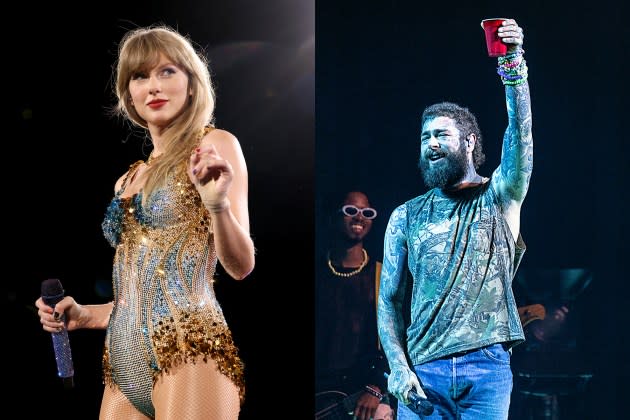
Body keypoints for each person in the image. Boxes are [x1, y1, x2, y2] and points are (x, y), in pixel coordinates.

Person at [35, 25, 255, 420]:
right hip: (123, 363)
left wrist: (217, 206)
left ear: (192, 84)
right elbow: (141, 292)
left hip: (191, 348)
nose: (153, 86)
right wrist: (85, 315)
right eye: (140, 76)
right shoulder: (126, 180)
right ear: (128, 94)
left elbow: (240, 267)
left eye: (167, 71)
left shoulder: (214, 146)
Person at [377, 18, 532, 419]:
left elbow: (521, 135)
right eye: (424, 137)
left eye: (440, 135)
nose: (430, 144)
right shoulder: (405, 216)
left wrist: (513, 64)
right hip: (423, 372)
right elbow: (389, 301)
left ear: (469, 141)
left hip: (487, 369)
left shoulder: (500, 194)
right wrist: (398, 368)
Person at [315, 190, 394, 420]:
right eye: (351, 211)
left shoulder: (382, 274)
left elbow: (396, 340)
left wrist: (376, 388)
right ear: (335, 215)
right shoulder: (319, 272)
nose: (359, 217)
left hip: (366, 395)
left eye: (367, 212)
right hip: (322, 395)